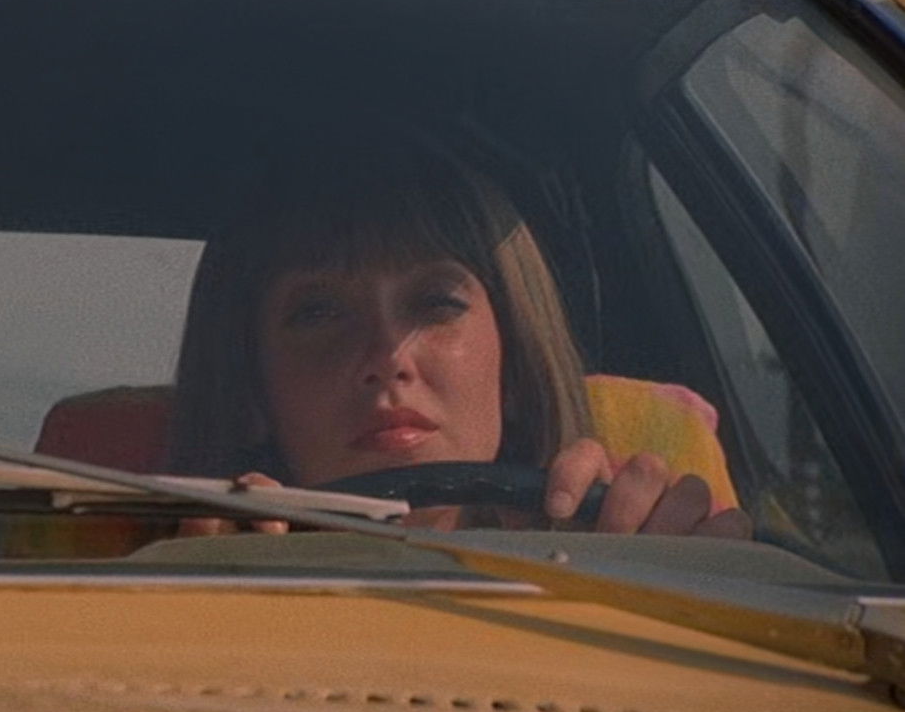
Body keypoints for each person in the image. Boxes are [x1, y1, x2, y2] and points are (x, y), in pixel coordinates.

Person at [168, 139, 751, 537]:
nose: (388, 356)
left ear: (516, 367)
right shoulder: (145, 585)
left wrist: (679, 581)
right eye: (320, 313)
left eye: (436, 304)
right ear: (250, 393)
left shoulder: (631, 545)